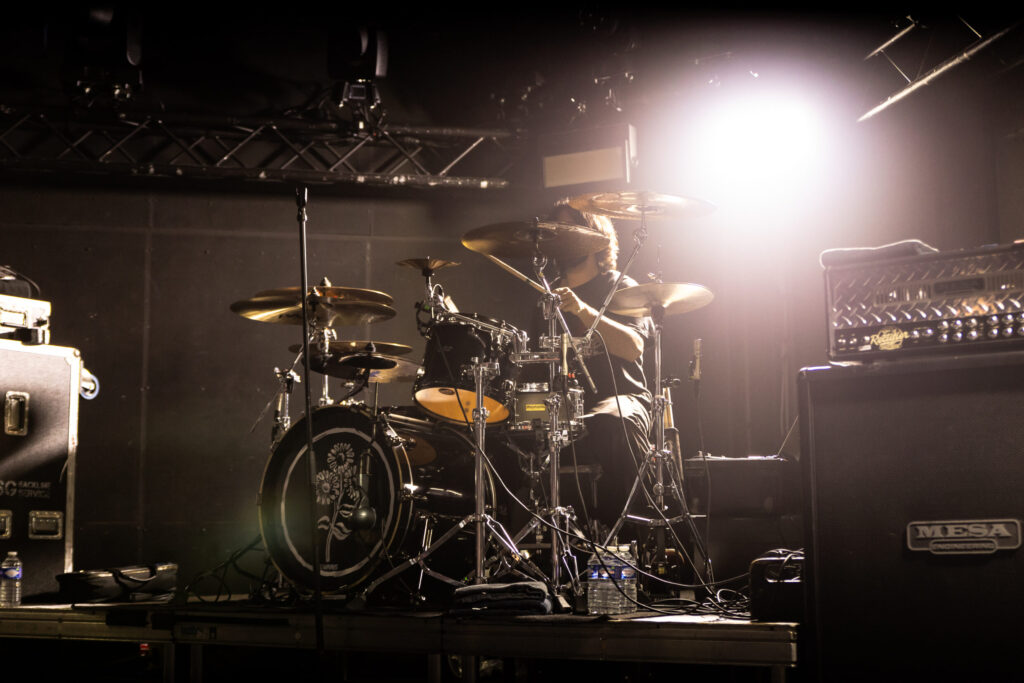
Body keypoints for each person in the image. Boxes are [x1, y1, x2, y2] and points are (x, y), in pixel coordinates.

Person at [534, 202, 654, 541]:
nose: (561, 239)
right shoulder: (546, 298)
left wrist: (583, 310)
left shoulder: (620, 287)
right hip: (565, 409)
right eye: (555, 233)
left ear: (595, 237)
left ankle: (633, 540)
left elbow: (633, 347)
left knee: (611, 420)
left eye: (570, 231)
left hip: (624, 400)